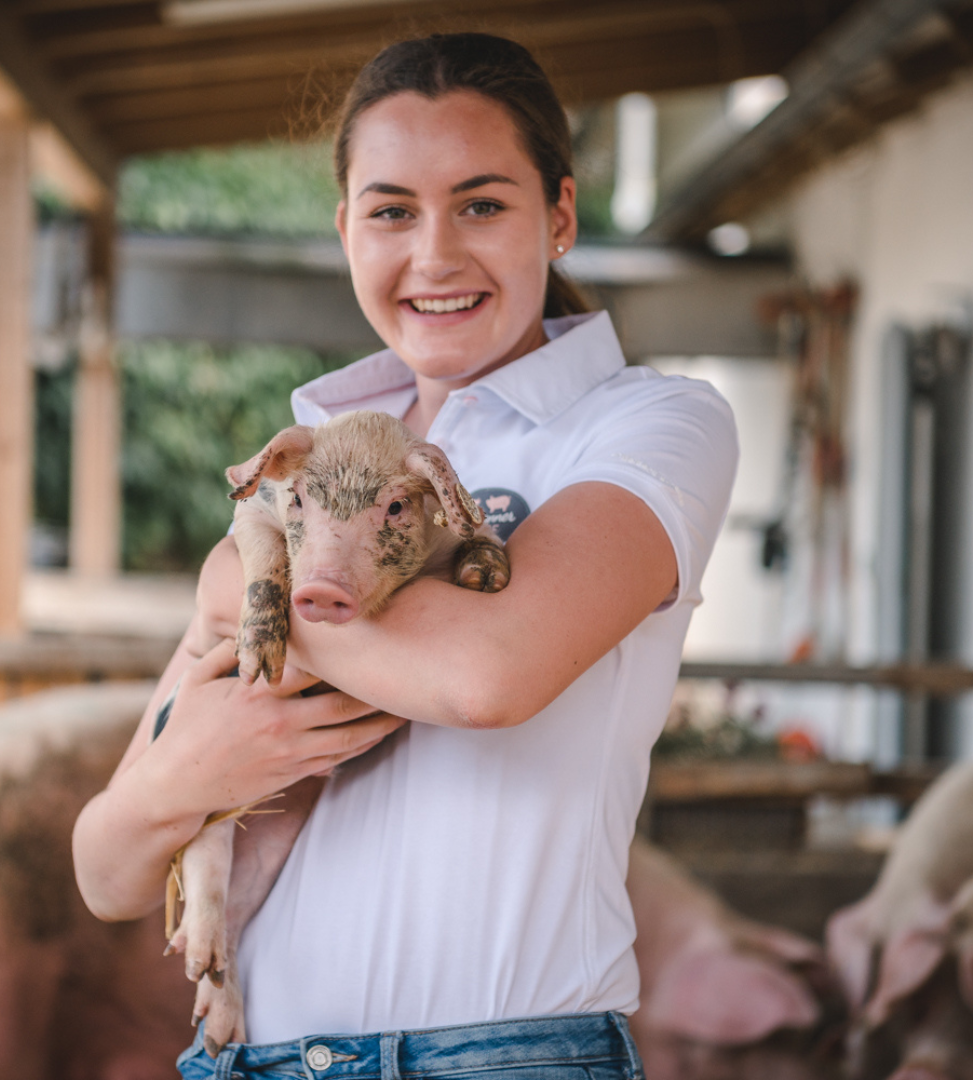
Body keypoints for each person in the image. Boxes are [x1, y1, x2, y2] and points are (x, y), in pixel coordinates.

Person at [73, 32, 738, 1080]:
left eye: (481, 204)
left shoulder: (647, 425)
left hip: (503, 1056)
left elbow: (487, 673)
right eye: (391, 211)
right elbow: (106, 870)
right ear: (345, 229)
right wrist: (192, 774)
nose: (433, 256)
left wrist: (249, 582)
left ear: (559, 215)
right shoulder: (314, 457)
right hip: (247, 1059)